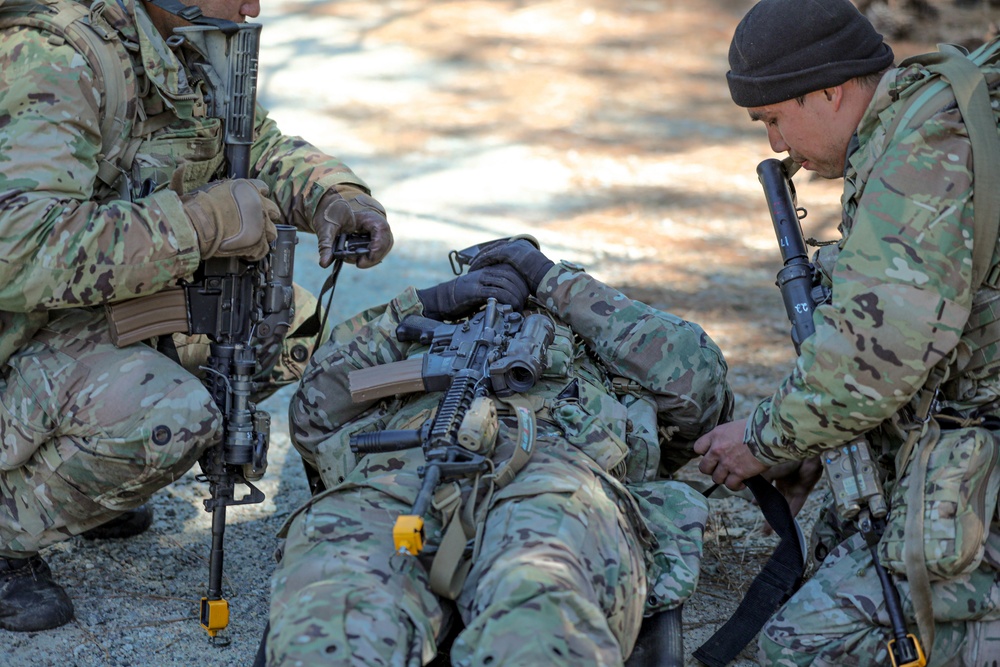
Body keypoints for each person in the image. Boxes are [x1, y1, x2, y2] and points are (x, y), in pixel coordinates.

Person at [0, 0, 393, 632]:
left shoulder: (174, 40)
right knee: (168, 414)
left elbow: (254, 146)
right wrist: (198, 225)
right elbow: (18, 253)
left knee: (284, 323)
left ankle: (79, 485)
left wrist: (333, 195)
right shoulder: (54, 57)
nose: (250, 7)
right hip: (18, 333)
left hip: (70, 323)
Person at [694, 0, 1000, 664]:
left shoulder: (919, 155)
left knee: (797, 649)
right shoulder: (928, 114)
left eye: (775, 118)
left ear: (830, 89)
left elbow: (872, 362)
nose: (776, 144)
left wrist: (761, 437)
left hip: (983, 476)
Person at [265, 238, 733, 666]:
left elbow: (700, 381)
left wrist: (556, 284)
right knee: (334, 611)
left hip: (555, 474)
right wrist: (427, 304)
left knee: (541, 617)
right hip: (406, 465)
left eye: (519, 271)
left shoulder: (605, 345)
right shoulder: (417, 331)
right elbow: (312, 412)